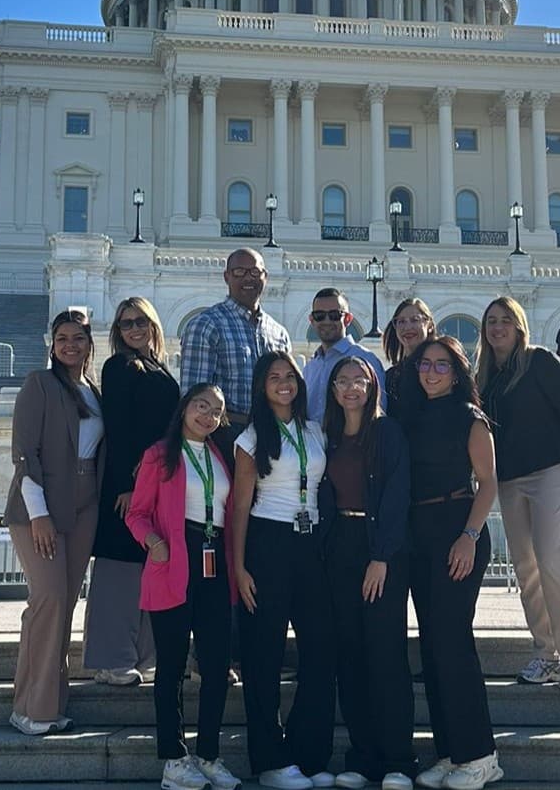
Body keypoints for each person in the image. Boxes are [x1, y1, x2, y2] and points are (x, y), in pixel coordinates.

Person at [126, 383, 244, 790]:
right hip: (173, 559)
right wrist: (153, 542)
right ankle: (174, 759)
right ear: (185, 408)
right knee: (172, 667)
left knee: (216, 666)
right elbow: (137, 513)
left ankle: (208, 754)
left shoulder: (219, 455)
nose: (208, 416)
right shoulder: (160, 454)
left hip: (214, 562)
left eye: (216, 411)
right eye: (201, 406)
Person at [475, 296, 560, 694]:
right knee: (526, 568)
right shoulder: (486, 377)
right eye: (491, 321)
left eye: (505, 320)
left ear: (519, 326)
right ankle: (546, 653)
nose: (497, 327)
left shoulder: (540, 361)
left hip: (552, 470)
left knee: (550, 558)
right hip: (511, 479)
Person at [230, 351, 335, 790]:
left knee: (320, 648)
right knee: (264, 653)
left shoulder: (314, 430)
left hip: (311, 544)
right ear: (261, 386)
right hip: (267, 541)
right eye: (273, 377)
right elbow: (239, 505)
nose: (283, 383)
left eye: (289, 375)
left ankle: (308, 754)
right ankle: (270, 759)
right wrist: (239, 566)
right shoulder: (251, 438)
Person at [401, 338, 500, 790]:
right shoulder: (411, 415)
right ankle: (449, 751)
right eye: (426, 364)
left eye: (442, 365)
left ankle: (480, 754)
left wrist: (469, 536)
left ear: (458, 374)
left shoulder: (470, 417)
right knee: (432, 646)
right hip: (420, 535)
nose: (432, 372)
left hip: (459, 530)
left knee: (453, 642)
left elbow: (488, 482)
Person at [4, 308, 104, 736]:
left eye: (78, 338)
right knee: (47, 599)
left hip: (85, 506)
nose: (70, 345)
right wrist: (39, 514)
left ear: (89, 343)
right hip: (40, 506)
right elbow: (25, 454)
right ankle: (29, 707)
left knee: (64, 605)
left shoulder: (93, 391)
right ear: (52, 344)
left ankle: (51, 702)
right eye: (62, 338)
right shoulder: (39, 384)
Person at [318, 356, 415, 790]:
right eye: (342, 380)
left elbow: (397, 494)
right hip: (340, 545)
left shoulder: (387, 432)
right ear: (333, 389)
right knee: (351, 653)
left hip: (379, 549)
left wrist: (381, 556)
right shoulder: (328, 435)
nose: (351, 387)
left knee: (385, 652)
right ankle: (361, 758)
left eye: (359, 380)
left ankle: (398, 760)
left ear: (372, 385)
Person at [87, 296, 181, 686]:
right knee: (119, 572)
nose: (134, 329)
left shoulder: (157, 365)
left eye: (141, 321)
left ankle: (142, 655)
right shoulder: (118, 366)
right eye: (126, 324)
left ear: (153, 325)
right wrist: (127, 486)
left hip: (156, 483)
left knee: (148, 569)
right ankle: (111, 660)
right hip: (129, 486)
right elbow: (119, 427)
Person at [180, 248, 291, 426]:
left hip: (274, 430)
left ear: (265, 276)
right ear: (227, 277)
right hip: (226, 431)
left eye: (255, 272)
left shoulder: (279, 333)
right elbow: (194, 398)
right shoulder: (206, 325)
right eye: (239, 272)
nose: (248, 278)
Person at [302, 288, 385, 423]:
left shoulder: (367, 360)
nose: (327, 321)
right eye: (319, 315)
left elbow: (378, 412)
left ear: (347, 319)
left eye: (334, 315)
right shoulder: (309, 368)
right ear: (312, 320)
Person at [381, 299, 435, 411]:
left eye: (414, 320)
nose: (407, 327)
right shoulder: (390, 376)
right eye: (401, 321)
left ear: (429, 325)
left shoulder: (439, 368)